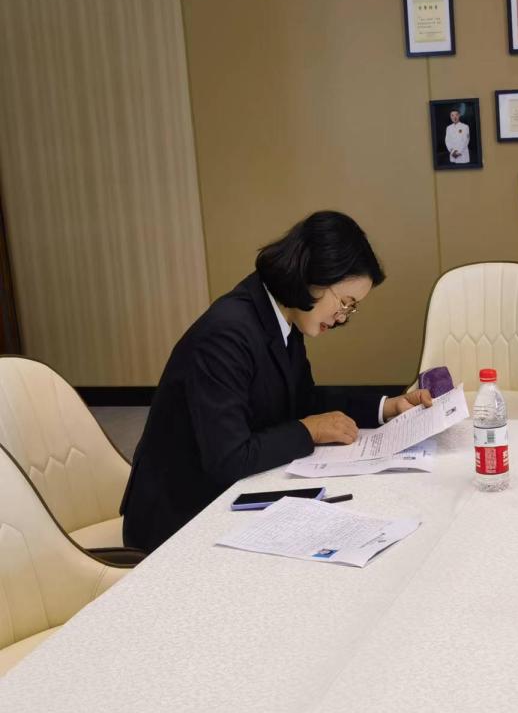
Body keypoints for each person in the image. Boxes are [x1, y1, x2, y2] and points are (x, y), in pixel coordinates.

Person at [120, 211, 432, 551]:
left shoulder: (279, 315)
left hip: (225, 493)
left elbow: (302, 400)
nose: (342, 317)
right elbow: (229, 459)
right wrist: (309, 431)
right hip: (179, 516)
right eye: (345, 303)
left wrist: (387, 407)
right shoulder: (226, 333)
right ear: (315, 275)